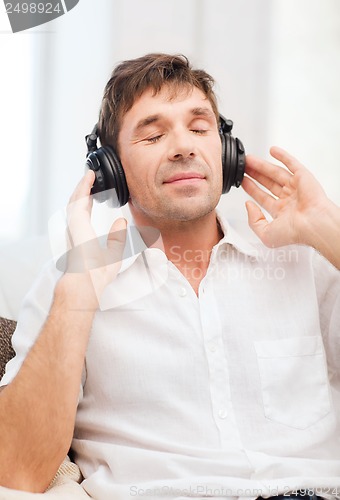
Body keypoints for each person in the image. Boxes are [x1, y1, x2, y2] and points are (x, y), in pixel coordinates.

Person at [0, 53, 339, 500]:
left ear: (228, 152)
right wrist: (78, 295)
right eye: (154, 134)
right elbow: (18, 471)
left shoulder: (308, 264)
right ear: (110, 170)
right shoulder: (70, 283)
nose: (184, 146)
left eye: (200, 128)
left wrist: (332, 233)